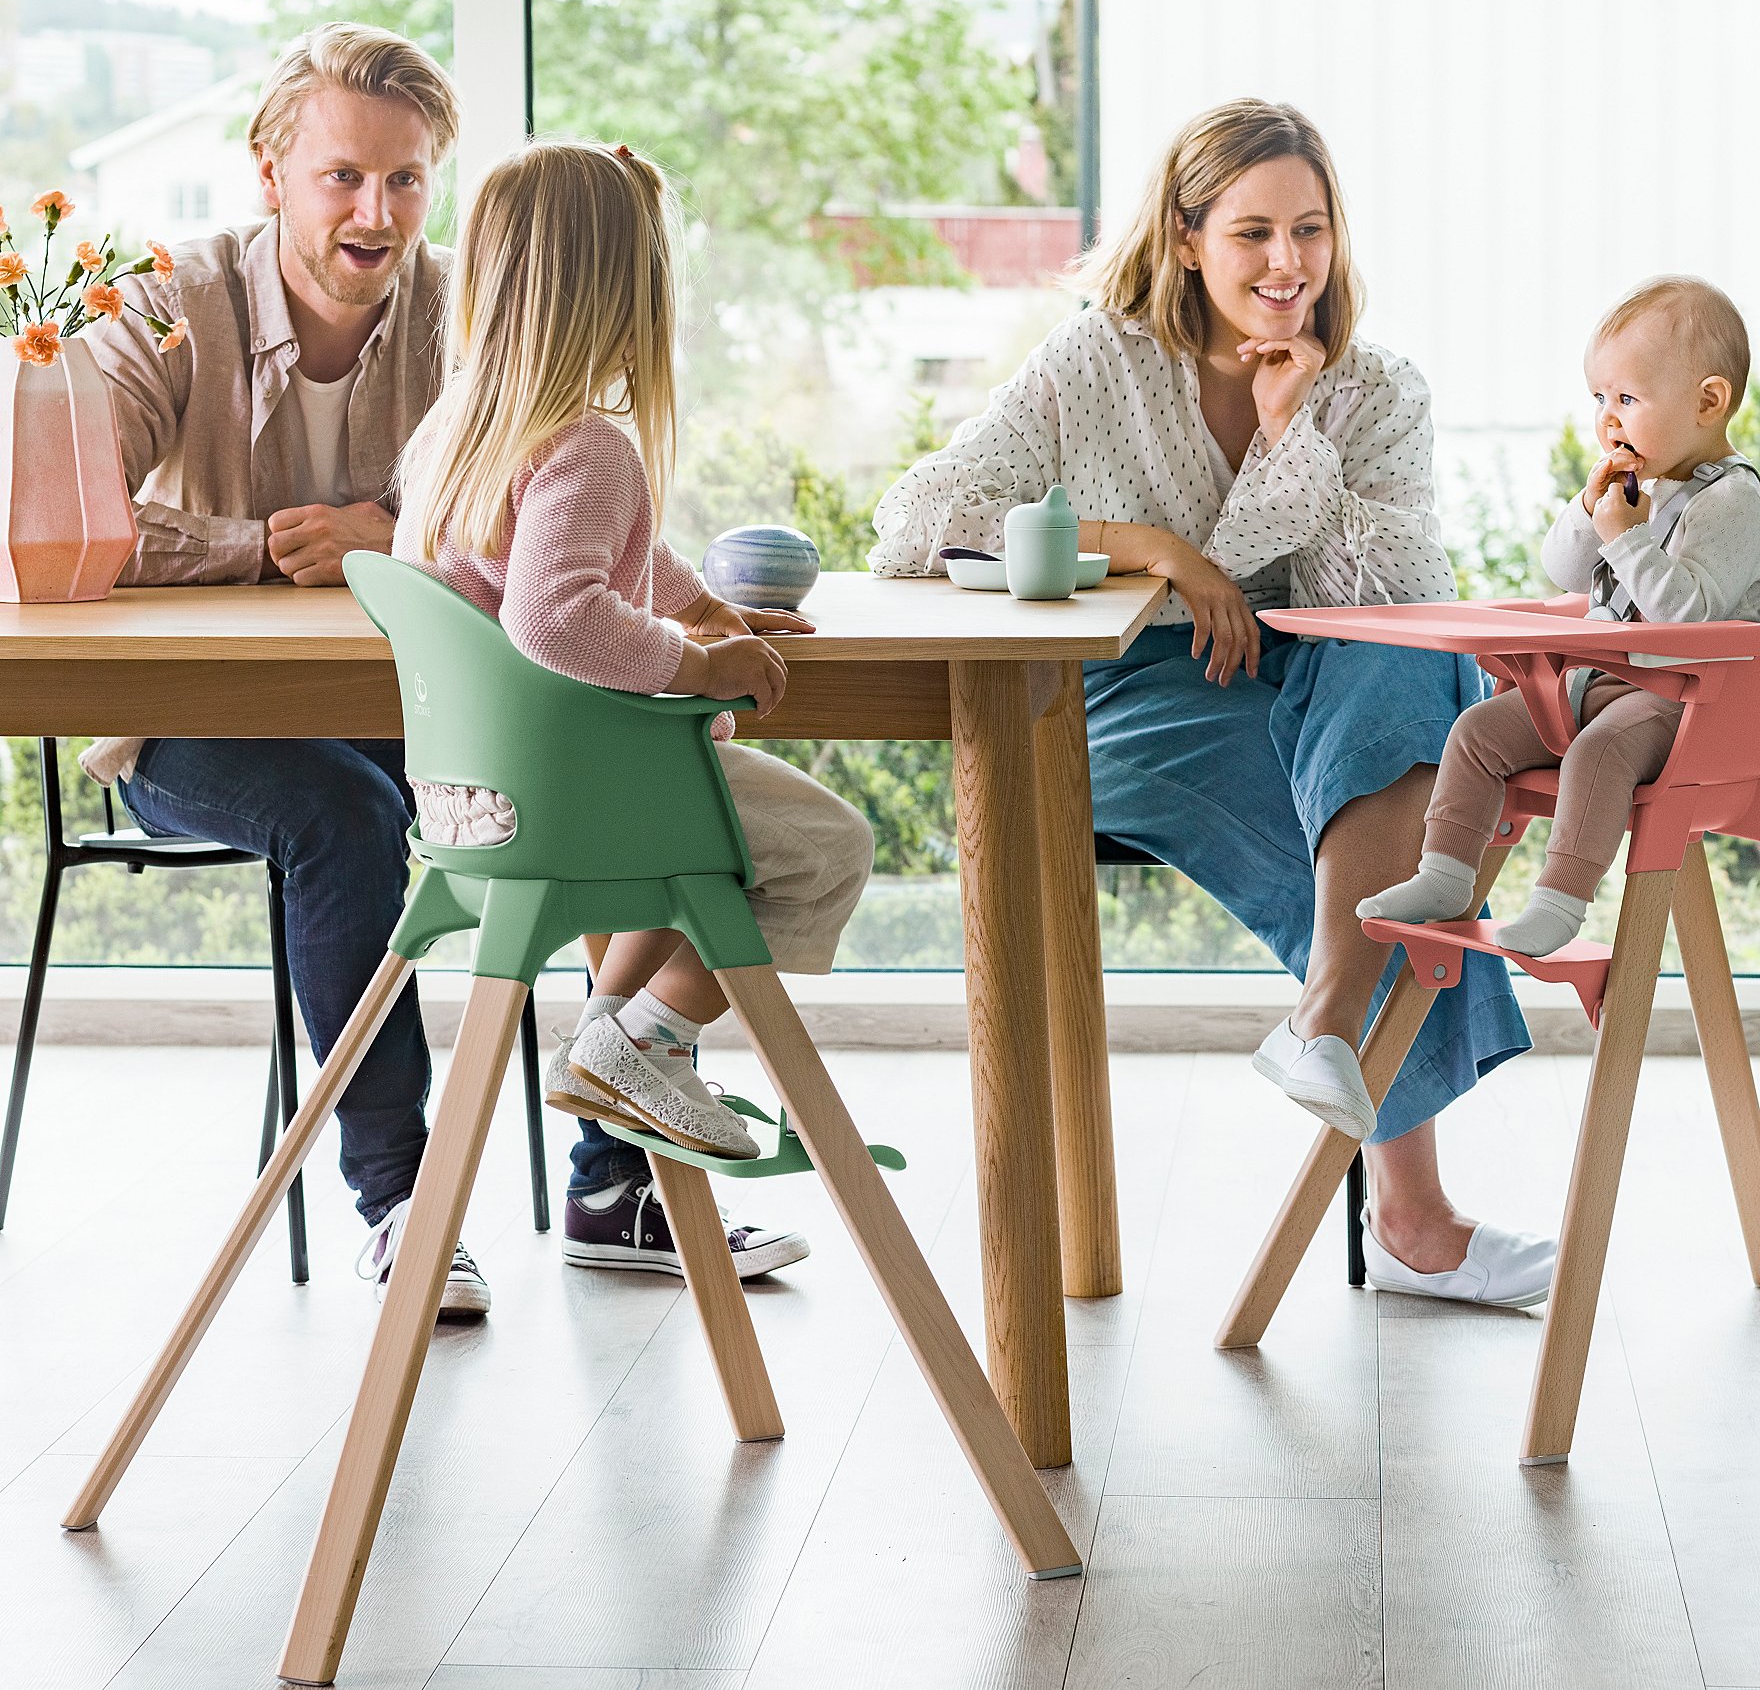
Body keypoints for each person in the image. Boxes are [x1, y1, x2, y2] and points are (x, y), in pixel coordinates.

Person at [84, 23, 813, 1311]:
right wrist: (265, 544)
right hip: (198, 726)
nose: (377, 211)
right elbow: (72, 519)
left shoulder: (463, 311)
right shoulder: (166, 304)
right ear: (269, 172)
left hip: (423, 715)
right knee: (345, 813)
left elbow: (557, 521)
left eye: (407, 180)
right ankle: (404, 1203)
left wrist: (678, 593)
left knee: (588, 776)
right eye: (342, 178)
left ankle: (610, 1178)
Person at [871, 97, 1553, 1310]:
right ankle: (1410, 1219)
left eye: (1310, 230)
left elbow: (1394, 596)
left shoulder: (1378, 389)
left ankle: (1328, 1018)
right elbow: (916, 520)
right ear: (1186, 239)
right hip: (1140, 687)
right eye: (1251, 234)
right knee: (1385, 825)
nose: (1286, 264)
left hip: (1330, 678)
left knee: (1405, 676)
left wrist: (1295, 433)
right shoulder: (1097, 360)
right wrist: (1159, 553)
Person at [393, 138, 872, 1202]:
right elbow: (555, 616)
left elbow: (585, 553)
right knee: (829, 847)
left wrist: (692, 600)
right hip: (577, 803)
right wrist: (698, 661)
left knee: (696, 821)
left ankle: (616, 1043)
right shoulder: (589, 446)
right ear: (625, 296)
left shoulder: (457, 432)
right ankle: (642, 1038)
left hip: (475, 807)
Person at [1363, 276, 1760, 957]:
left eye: (1628, 398)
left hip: (1691, 701)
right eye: (1600, 399)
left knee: (1598, 752)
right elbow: (1566, 573)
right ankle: (1445, 873)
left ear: (1708, 401)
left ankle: (1560, 902)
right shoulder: (1645, 491)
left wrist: (1627, 538)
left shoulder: (1735, 500)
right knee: (1478, 732)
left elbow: (1685, 614)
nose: (1608, 417)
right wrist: (1591, 511)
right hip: (1603, 682)